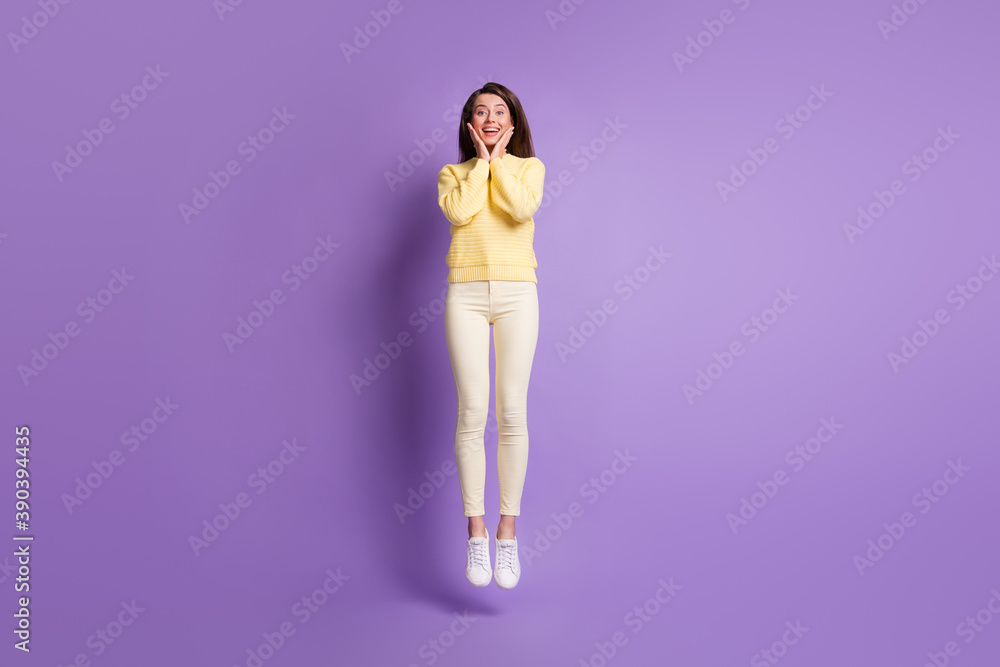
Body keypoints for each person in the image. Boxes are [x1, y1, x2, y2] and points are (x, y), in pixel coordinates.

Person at [436, 82, 545, 589]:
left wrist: (501, 161)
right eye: (480, 112)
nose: (490, 117)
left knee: (512, 410)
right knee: (473, 410)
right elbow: (461, 213)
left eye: (499, 111)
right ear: (469, 125)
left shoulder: (529, 168)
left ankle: (508, 533)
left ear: (513, 121)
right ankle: (476, 533)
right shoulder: (453, 175)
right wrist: (481, 162)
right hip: (466, 295)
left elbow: (520, 209)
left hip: (518, 294)